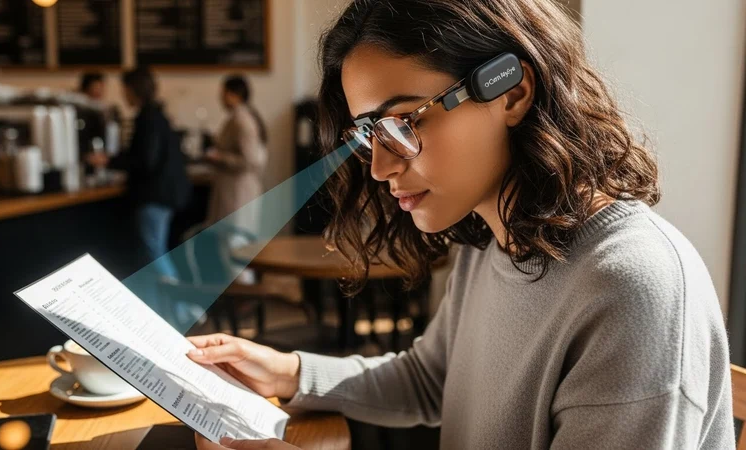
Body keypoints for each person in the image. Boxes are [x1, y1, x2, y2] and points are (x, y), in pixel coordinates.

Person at [189, 1, 735, 449]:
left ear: (511, 92)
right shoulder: (491, 238)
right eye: (368, 134)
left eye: (402, 124)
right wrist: (288, 372)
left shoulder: (633, 286)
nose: (380, 167)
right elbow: (432, 380)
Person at [87, 68, 191, 278]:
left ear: (132, 90)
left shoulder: (147, 118)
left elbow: (145, 160)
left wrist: (109, 161)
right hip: (166, 194)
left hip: (154, 196)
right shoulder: (157, 114)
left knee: (154, 255)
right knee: (155, 253)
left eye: (124, 89)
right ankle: (173, 307)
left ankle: (184, 308)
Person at [205, 75, 268, 229]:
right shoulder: (241, 117)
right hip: (235, 191)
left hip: (238, 193)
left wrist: (219, 157)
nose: (220, 98)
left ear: (233, 94)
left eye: (223, 93)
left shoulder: (242, 120)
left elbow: (250, 160)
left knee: (236, 243)